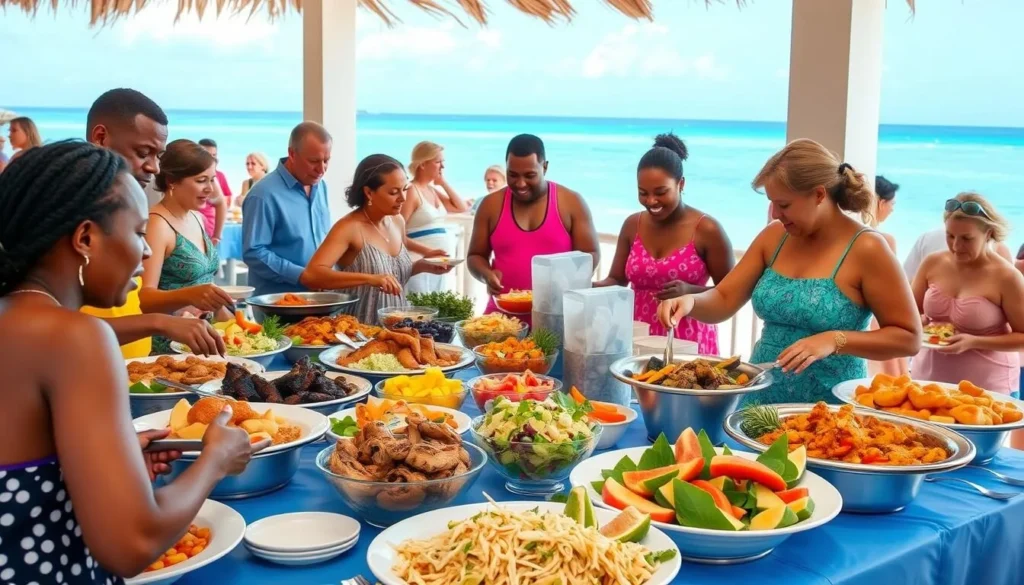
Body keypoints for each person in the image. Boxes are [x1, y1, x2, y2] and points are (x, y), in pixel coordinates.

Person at [0, 141, 266, 584]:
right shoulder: (77, 337)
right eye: (139, 232)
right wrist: (214, 461)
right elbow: (131, 545)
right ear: (85, 238)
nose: (145, 252)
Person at [657, 139, 921, 405]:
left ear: (819, 194)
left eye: (784, 205)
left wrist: (835, 339)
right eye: (772, 203)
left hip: (828, 407)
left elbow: (908, 338)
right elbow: (724, 298)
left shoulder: (868, 248)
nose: (775, 213)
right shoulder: (774, 236)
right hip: (760, 397)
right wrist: (690, 302)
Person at [83, 88, 225, 358]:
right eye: (143, 152)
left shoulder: (123, 206)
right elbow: (56, 326)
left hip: (135, 367)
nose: (155, 168)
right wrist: (161, 322)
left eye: (157, 156)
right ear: (100, 138)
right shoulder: (68, 211)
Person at [595, 133, 733, 355]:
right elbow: (617, 280)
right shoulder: (633, 225)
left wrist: (690, 291)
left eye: (661, 192)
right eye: (643, 193)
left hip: (687, 339)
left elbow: (730, 293)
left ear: (681, 184)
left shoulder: (707, 230)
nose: (651, 201)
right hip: (638, 337)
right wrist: (588, 286)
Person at [300, 154, 452, 324]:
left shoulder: (397, 221)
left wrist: (422, 266)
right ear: (368, 192)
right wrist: (369, 278)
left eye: (405, 189)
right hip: (358, 332)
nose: (402, 198)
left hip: (396, 330)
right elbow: (311, 276)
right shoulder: (349, 227)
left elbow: (392, 275)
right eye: (394, 192)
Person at [468, 134, 600, 321]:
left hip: (557, 318)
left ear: (544, 167)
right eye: (512, 175)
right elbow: (475, 256)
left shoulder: (571, 202)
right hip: (502, 320)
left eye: (530, 175)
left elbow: (591, 254)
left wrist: (563, 283)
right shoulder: (490, 205)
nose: (520, 184)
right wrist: (486, 275)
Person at [910, 193, 1024, 395]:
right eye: (950, 236)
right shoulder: (932, 263)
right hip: (927, 385)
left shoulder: (1007, 277)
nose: (956, 246)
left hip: (986, 390)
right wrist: (919, 323)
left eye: (966, 239)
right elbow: (908, 314)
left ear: (988, 233)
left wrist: (975, 341)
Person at [142, 140, 234, 353]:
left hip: (204, 339)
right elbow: (145, 299)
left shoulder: (198, 217)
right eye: (201, 180)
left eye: (212, 179)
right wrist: (190, 295)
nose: (210, 189)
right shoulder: (158, 225)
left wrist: (222, 309)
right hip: (171, 346)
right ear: (172, 181)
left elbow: (203, 287)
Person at [242, 122, 332, 296]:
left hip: (319, 298)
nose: (321, 169)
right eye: (313, 161)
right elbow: (254, 252)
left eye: (326, 160)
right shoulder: (262, 195)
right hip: (279, 304)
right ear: (292, 154)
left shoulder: (321, 187)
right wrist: (301, 276)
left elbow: (323, 238)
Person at [403, 141, 471, 294]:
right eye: (438, 162)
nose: (443, 167)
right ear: (422, 164)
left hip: (437, 265)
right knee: (419, 311)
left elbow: (461, 207)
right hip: (419, 264)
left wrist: (443, 183)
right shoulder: (411, 191)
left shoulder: (432, 190)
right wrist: (427, 251)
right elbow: (397, 232)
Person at [867, 175, 908, 377]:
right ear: (881, 202)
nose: (892, 209)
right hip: (875, 321)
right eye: (891, 204)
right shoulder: (884, 240)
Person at [197, 138, 228, 245]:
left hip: (206, 228)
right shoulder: (189, 171)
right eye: (206, 155)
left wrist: (217, 236)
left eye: (214, 155)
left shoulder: (215, 176)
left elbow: (222, 202)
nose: (211, 159)